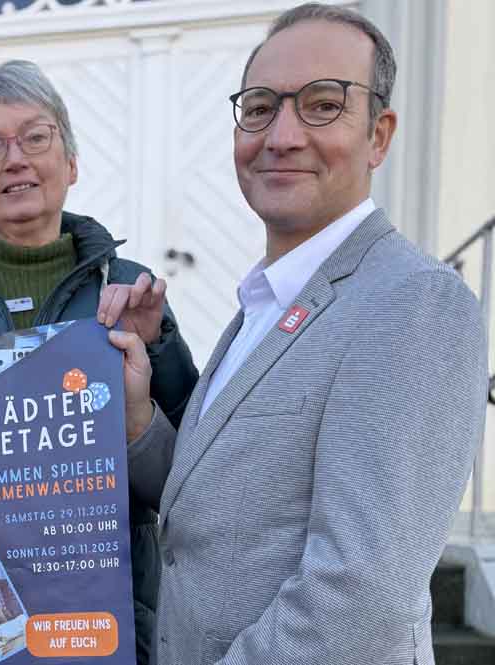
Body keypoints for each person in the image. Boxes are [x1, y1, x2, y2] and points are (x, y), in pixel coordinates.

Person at [109, 4, 488, 664]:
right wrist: (140, 412)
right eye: (259, 107)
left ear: (378, 134)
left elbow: (362, 597)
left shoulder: (413, 302)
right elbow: (209, 502)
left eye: (322, 104)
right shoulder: (262, 304)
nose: (281, 135)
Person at [0, 59, 199, 664]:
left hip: (102, 626)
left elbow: (191, 482)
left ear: (70, 162)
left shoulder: (129, 293)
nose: (15, 159)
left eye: (35, 137)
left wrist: (153, 351)